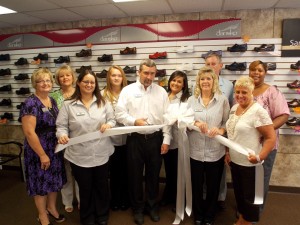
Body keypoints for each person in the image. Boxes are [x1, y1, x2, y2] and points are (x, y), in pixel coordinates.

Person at [115, 59, 171, 225]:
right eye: (146, 72)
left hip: (155, 139)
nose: (149, 76)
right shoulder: (127, 90)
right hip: (135, 140)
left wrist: (166, 139)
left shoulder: (161, 92)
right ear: (139, 72)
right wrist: (134, 121)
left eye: (152, 73)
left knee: (154, 176)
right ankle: (138, 209)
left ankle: (152, 207)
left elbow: (167, 118)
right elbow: (119, 114)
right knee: (135, 176)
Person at [56, 69, 115, 225]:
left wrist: (109, 124)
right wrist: (61, 135)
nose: (89, 84)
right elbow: (61, 126)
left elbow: (112, 120)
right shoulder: (68, 105)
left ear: (95, 84)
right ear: (79, 83)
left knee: (102, 186)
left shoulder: (104, 102)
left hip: (102, 153)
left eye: (92, 82)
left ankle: (102, 215)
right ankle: (87, 217)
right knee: (85, 188)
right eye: (86, 82)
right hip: (79, 155)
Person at [225, 76, 276, 225]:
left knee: (251, 200)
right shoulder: (234, 108)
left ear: (252, 92)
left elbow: (270, 138)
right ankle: (241, 221)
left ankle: (245, 223)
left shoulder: (258, 111)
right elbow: (232, 133)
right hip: (235, 162)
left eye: (244, 92)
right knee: (240, 197)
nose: (240, 95)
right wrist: (228, 152)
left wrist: (260, 157)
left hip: (251, 164)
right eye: (237, 92)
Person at [19, 68, 66, 225]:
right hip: (38, 149)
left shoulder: (51, 100)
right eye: (41, 81)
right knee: (40, 183)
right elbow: (29, 132)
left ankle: (52, 208)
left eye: (48, 80)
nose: (45, 83)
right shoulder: (30, 103)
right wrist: (42, 155)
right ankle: (42, 215)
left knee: (53, 181)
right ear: (35, 84)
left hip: (54, 148)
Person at [188, 66, 230, 225]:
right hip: (195, 151)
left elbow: (227, 122)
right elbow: (184, 121)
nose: (205, 81)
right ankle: (198, 214)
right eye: (202, 79)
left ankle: (210, 214)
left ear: (214, 81)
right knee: (197, 186)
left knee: (213, 187)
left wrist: (220, 129)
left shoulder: (222, 100)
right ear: (198, 82)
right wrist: (195, 122)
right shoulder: (191, 101)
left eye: (209, 78)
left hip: (215, 151)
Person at [248, 60, 289, 209]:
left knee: (261, 179)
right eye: (253, 69)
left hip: (266, 144)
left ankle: (255, 211)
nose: (256, 73)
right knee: (247, 179)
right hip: (246, 144)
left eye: (259, 70)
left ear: (265, 72)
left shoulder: (272, 91)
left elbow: (284, 115)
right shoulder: (244, 90)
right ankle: (245, 209)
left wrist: (266, 131)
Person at [204, 52, 234, 210]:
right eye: (207, 64)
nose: (210, 66)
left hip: (221, 133)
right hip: (202, 134)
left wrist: (225, 135)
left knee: (219, 169)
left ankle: (220, 198)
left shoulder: (228, 86)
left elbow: (230, 113)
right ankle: (203, 197)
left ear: (221, 65)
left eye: (213, 63)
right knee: (202, 169)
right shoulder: (199, 83)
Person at [51, 65, 79, 213]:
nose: (65, 78)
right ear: (57, 79)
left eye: (68, 75)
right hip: (61, 138)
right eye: (61, 76)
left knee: (80, 171)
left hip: (80, 138)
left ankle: (82, 199)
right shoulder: (53, 97)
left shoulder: (80, 93)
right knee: (66, 171)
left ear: (73, 77)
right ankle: (67, 201)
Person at [160, 70, 190, 210]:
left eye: (179, 81)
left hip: (180, 142)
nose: (176, 83)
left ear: (184, 85)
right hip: (165, 140)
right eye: (173, 80)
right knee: (169, 170)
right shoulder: (164, 97)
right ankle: (169, 195)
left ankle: (180, 199)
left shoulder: (186, 100)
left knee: (180, 171)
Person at [101, 65, 129, 211]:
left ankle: (125, 199)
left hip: (129, 139)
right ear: (109, 77)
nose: (116, 78)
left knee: (127, 171)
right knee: (114, 172)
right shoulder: (102, 94)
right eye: (113, 75)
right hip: (110, 140)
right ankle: (115, 199)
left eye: (119, 75)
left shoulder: (128, 92)